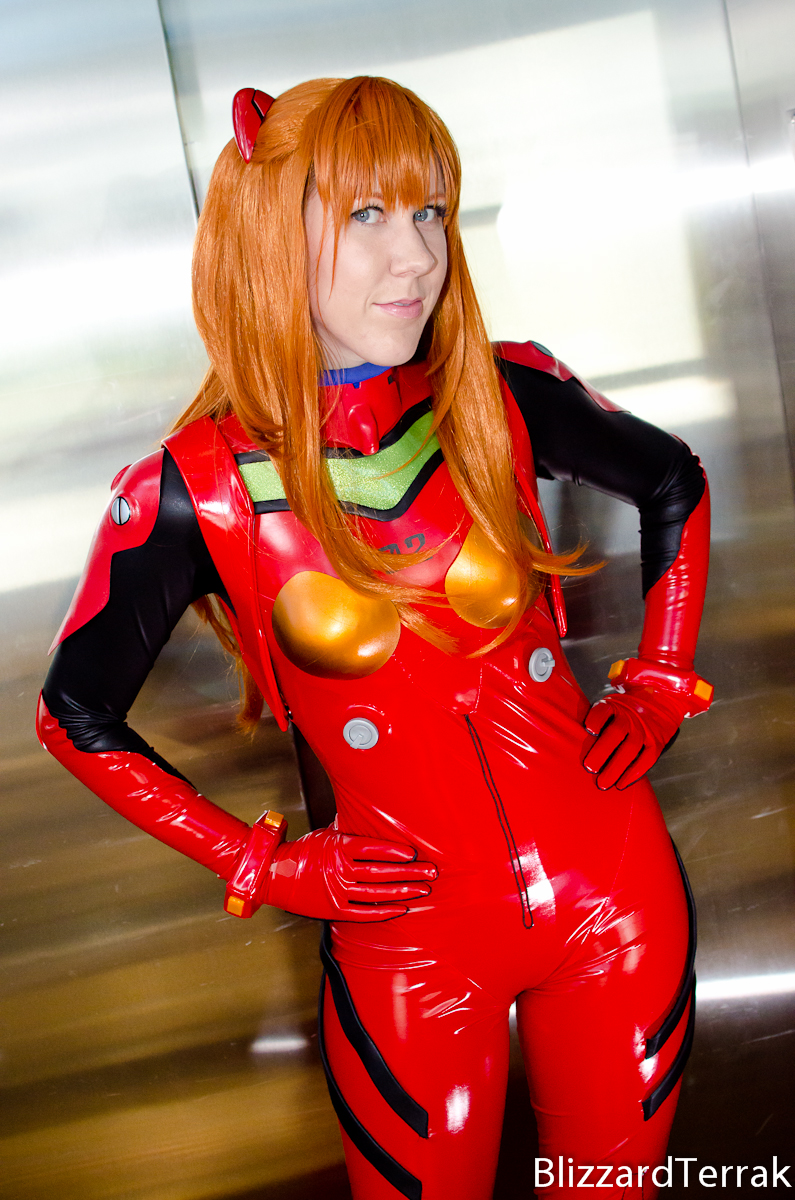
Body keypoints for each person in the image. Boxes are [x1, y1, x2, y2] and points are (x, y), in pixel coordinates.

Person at [37, 76, 712, 1200]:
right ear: (270, 233)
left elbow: (673, 480)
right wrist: (260, 863)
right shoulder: (192, 487)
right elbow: (73, 713)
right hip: (410, 945)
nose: (416, 258)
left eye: (430, 211)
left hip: (615, 898)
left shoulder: (498, 393)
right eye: (366, 215)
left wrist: (659, 681)